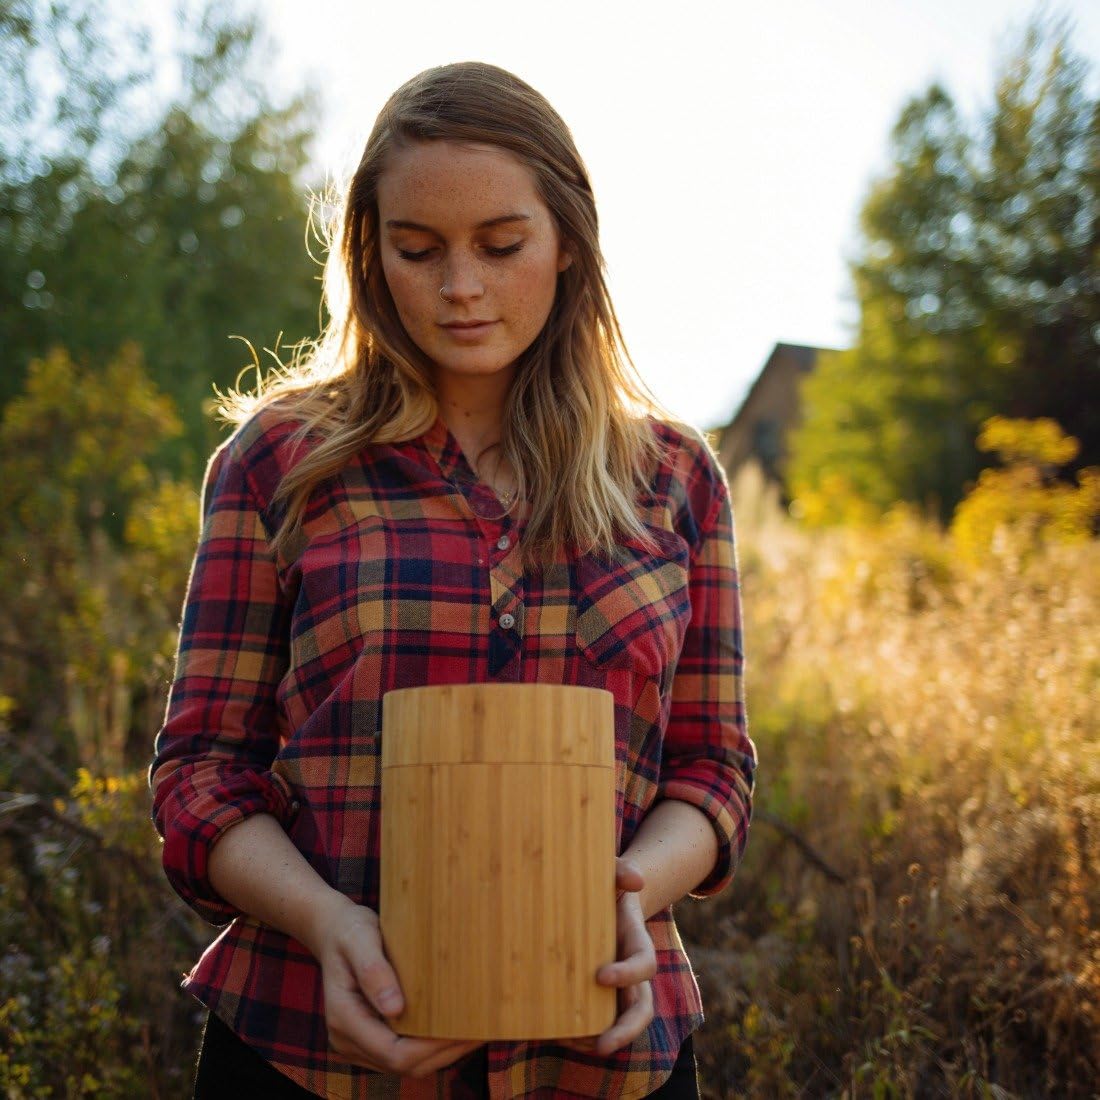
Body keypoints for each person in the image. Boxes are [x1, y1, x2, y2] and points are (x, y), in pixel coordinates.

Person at [150, 61, 756, 1099]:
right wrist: (327, 922)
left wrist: (626, 890)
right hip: (309, 1042)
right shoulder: (280, 462)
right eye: (418, 249)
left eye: (500, 244)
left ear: (567, 241)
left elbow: (710, 771)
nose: (460, 285)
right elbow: (200, 773)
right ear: (369, 255)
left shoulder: (671, 475)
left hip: (602, 1052)